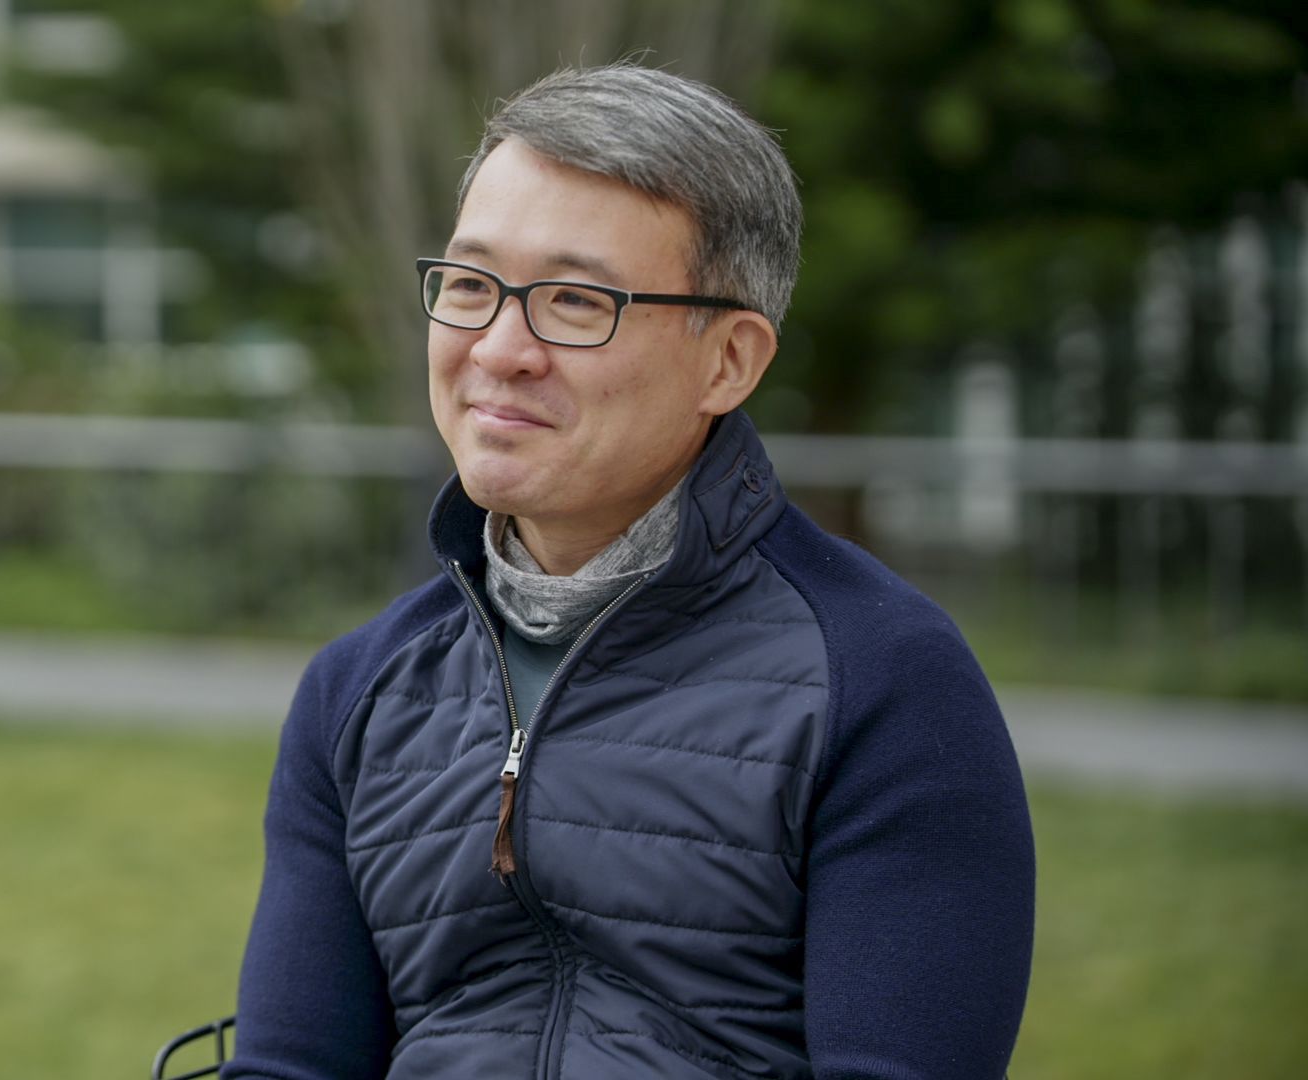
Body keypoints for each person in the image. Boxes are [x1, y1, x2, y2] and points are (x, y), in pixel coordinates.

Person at [223, 63, 1034, 1080]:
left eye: (575, 300)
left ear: (729, 361)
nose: (499, 348)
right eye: (472, 286)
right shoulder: (359, 691)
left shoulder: (882, 681)